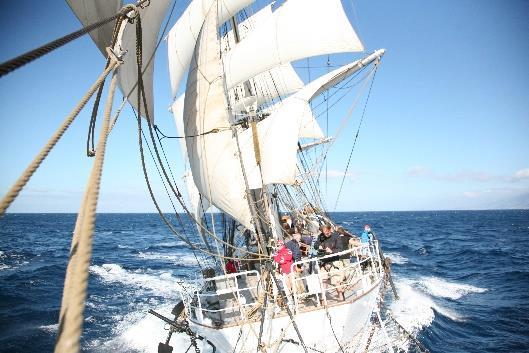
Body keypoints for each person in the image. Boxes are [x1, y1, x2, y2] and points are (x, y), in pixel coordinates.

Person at [314, 224, 346, 301]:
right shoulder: (320, 236)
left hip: (334, 261)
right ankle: (323, 299)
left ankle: (341, 297)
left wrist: (332, 251)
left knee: (336, 281)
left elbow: (340, 249)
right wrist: (318, 246)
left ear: (330, 230)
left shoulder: (336, 236)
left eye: (327, 233)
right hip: (324, 261)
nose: (326, 235)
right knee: (323, 280)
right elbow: (315, 245)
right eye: (324, 234)